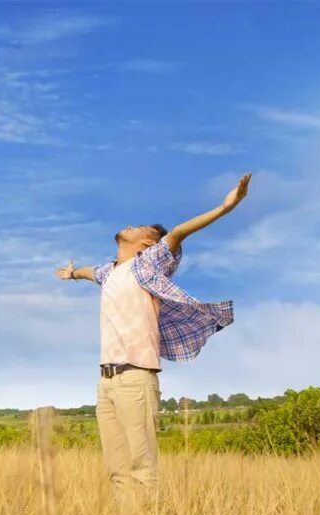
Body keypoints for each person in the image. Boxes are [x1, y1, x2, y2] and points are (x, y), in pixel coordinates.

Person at [54, 173, 252, 497]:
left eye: (140, 227)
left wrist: (225, 207)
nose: (131, 225)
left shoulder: (147, 265)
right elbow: (92, 272)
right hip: (106, 380)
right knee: (116, 471)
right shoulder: (110, 272)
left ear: (148, 243)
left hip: (135, 377)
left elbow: (178, 233)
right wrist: (72, 274)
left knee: (141, 468)